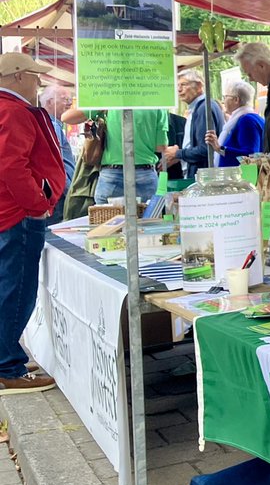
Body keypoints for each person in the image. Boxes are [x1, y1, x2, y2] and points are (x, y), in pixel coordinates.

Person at [0, 53, 66, 393]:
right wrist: (37, 205)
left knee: (10, 287)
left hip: (11, 212)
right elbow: (12, 167)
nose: (38, 82)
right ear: (17, 76)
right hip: (18, 214)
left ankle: (6, 356)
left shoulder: (8, 109)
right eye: (33, 76)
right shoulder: (14, 111)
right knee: (17, 288)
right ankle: (8, 367)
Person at [61, 106, 168, 205]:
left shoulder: (109, 100)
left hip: (112, 174)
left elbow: (66, 117)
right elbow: (160, 147)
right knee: (148, 221)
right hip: (146, 174)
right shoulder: (155, 104)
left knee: (108, 221)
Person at [163, 69, 225, 177]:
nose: (179, 89)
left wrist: (177, 153)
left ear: (199, 86)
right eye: (177, 85)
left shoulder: (204, 108)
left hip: (203, 175)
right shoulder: (199, 107)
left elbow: (206, 149)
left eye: (183, 84)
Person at [204, 80, 265, 166]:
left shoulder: (247, 121)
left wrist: (220, 148)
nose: (223, 101)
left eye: (225, 97)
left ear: (236, 100)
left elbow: (250, 155)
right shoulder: (252, 118)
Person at [39, 84, 76, 224]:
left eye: (70, 98)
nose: (69, 103)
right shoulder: (52, 126)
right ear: (50, 102)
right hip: (59, 194)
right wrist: (68, 191)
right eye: (64, 99)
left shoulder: (48, 124)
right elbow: (56, 163)